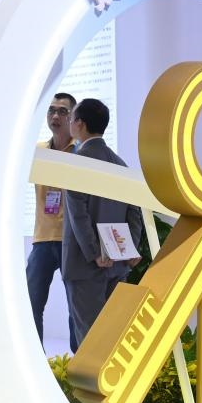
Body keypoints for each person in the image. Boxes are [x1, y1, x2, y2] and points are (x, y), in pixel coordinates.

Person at [62, 99, 143, 348]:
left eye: (71, 118)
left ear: (80, 124)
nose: (69, 123)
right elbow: (134, 211)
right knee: (113, 339)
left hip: (85, 265)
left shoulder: (77, 163)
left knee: (90, 341)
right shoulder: (119, 164)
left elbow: (78, 213)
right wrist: (129, 249)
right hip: (117, 265)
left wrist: (95, 252)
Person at [27, 92, 77, 348]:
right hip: (43, 238)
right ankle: (35, 356)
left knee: (76, 306)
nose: (55, 116)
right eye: (51, 110)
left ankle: (78, 359)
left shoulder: (81, 151)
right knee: (31, 303)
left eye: (62, 111)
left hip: (73, 239)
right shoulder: (37, 151)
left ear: (73, 117)